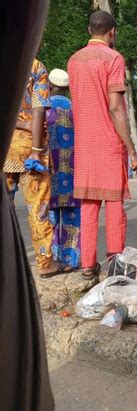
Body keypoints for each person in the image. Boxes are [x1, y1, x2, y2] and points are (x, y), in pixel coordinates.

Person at [68, 10, 137, 279]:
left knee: (88, 206)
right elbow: (116, 108)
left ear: (90, 30)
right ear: (112, 32)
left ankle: (88, 265)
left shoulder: (74, 60)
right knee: (113, 204)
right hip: (108, 142)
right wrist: (132, 149)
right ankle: (115, 264)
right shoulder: (114, 58)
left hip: (84, 144)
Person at [3, 59, 66, 278]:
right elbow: (38, 112)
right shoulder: (34, 66)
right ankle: (45, 263)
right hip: (29, 147)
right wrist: (37, 150)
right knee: (38, 208)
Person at [46, 68, 81, 270]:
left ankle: (51, 259)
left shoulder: (44, 108)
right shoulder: (75, 108)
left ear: (50, 86)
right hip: (72, 172)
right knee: (71, 220)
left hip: (50, 172)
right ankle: (70, 261)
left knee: (49, 217)